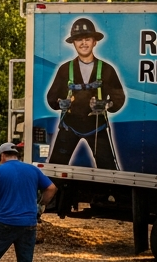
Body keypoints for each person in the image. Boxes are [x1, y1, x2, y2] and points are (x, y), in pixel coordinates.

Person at [45, 18, 126, 169]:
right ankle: (56, 192)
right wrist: (60, 103)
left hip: (97, 127)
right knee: (55, 169)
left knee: (110, 172)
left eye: (87, 39)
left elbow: (119, 99)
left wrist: (107, 105)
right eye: (79, 40)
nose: (83, 43)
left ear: (94, 42)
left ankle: (111, 193)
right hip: (69, 126)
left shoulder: (107, 70)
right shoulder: (65, 69)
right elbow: (51, 98)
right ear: (73, 43)